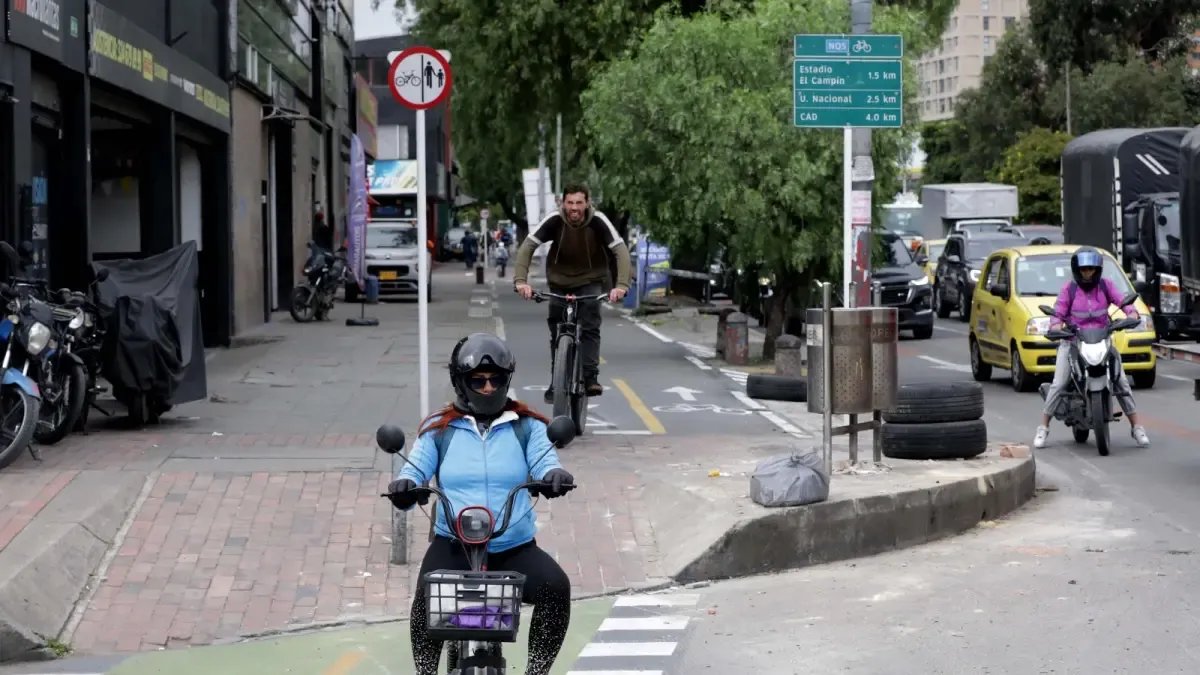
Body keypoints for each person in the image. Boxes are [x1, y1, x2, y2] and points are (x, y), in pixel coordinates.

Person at [386, 333, 576, 675]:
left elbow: (545, 460)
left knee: (556, 587)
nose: (488, 387)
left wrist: (554, 476)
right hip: (453, 544)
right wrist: (406, 486)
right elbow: (415, 468)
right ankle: (425, 672)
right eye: (478, 380)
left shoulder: (527, 426)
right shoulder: (439, 428)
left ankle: (537, 671)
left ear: (506, 380)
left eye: (496, 379)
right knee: (425, 599)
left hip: (513, 547)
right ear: (461, 382)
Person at [512, 184, 632, 401]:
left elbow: (620, 250)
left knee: (590, 323)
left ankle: (590, 377)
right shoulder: (554, 220)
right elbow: (528, 246)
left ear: (587, 203)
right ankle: (555, 382)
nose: (574, 208)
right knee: (556, 329)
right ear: (562, 203)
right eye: (570, 203)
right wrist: (521, 281)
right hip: (559, 280)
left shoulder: (598, 221)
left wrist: (621, 286)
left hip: (591, 279)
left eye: (579, 202)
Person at [1034, 248, 1150, 449]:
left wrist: (1131, 314)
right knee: (1059, 384)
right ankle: (1043, 427)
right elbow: (1058, 313)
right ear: (1077, 270)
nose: (1087, 273)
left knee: (1122, 382)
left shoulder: (1106, 285)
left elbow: (1123, 301)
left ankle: (1136, 427)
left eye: (1091, 269)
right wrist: (1056, 326)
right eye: (1084, 269)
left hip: (1102, 340)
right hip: (1073, 341)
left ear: (1098, 270)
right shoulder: (1069, 289)